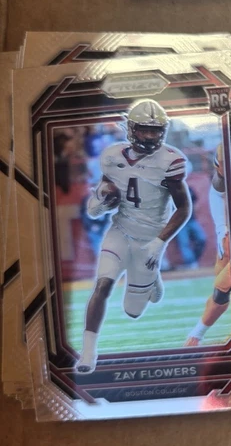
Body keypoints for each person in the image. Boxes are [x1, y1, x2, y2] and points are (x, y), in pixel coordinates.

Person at [76, 100, 192, 373]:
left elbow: (184, 208)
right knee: (102, 285)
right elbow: (105, 193)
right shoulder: (112, 155)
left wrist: (159, 242)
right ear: (131, 129)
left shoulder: (170, 161)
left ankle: (152, 280)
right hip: (121, 229)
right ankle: (88, 353)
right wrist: (103, 200)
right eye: (144, 130)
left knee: (133, 311)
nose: (150, 136)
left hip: (150, 238)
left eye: (156, 130)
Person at [186, 142, 231, 345]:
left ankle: (194, 337)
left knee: (224, 286)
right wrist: (222, 230)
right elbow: (217, 189)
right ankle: (196, 336)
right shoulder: (225, 156)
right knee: (220, 285)